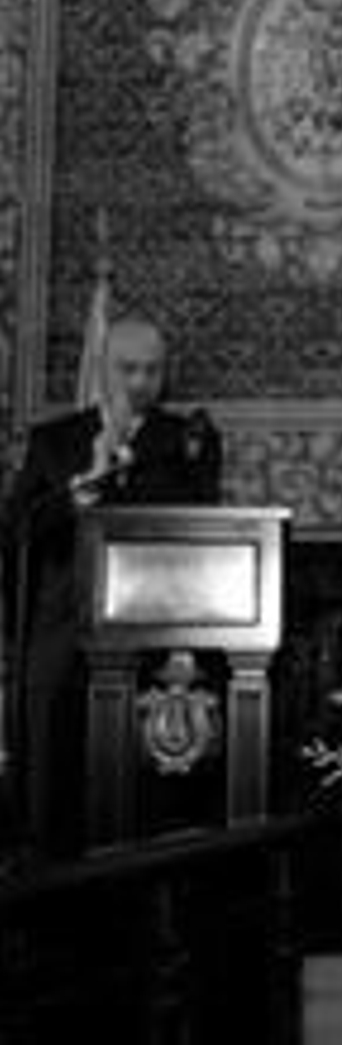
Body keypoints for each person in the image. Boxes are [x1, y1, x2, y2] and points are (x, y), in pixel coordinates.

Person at [1, 315, 221, 855]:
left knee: (145, 792)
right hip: (61, 635)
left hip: (151, 637)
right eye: (128, 370)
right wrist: (80, 495)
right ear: (102, 369)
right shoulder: (54, 442)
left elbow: (198, 519)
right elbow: (17, 530)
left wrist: (126, 463)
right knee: (56, 775)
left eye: (152, 371)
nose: (141, 382)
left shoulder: (186, 440)